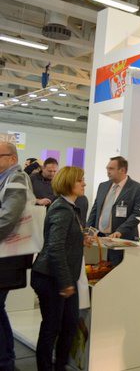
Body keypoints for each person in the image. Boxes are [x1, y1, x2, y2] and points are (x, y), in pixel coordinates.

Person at [31, 166, 92, 371]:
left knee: (69, 324)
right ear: (68, 183)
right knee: (52, 327)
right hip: (51, 277)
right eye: (80, 180)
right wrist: (66, 283)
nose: (84, 184)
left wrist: (80, 239)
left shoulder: (70, 207)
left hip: (62, 277)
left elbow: (62, 240)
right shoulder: (62, 209)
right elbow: (55, 248)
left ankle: (60, 366)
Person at [0, 142, 32, 371]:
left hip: (8, 259)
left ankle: (6, 361)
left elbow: (8, 218)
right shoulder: (6, 179)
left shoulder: (16, 179)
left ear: (12, 158)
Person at [86, 156, 140, 266]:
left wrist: (120, 231)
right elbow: (95, 210)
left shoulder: (137, 188)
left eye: (111, 169)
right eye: (107, 168)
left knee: (117, 270)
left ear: (122, 170)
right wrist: (88, 231)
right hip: (100, 240)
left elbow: (138, 213)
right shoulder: (103, 186)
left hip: (121, 240)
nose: (108, 171)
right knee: (100, 271)